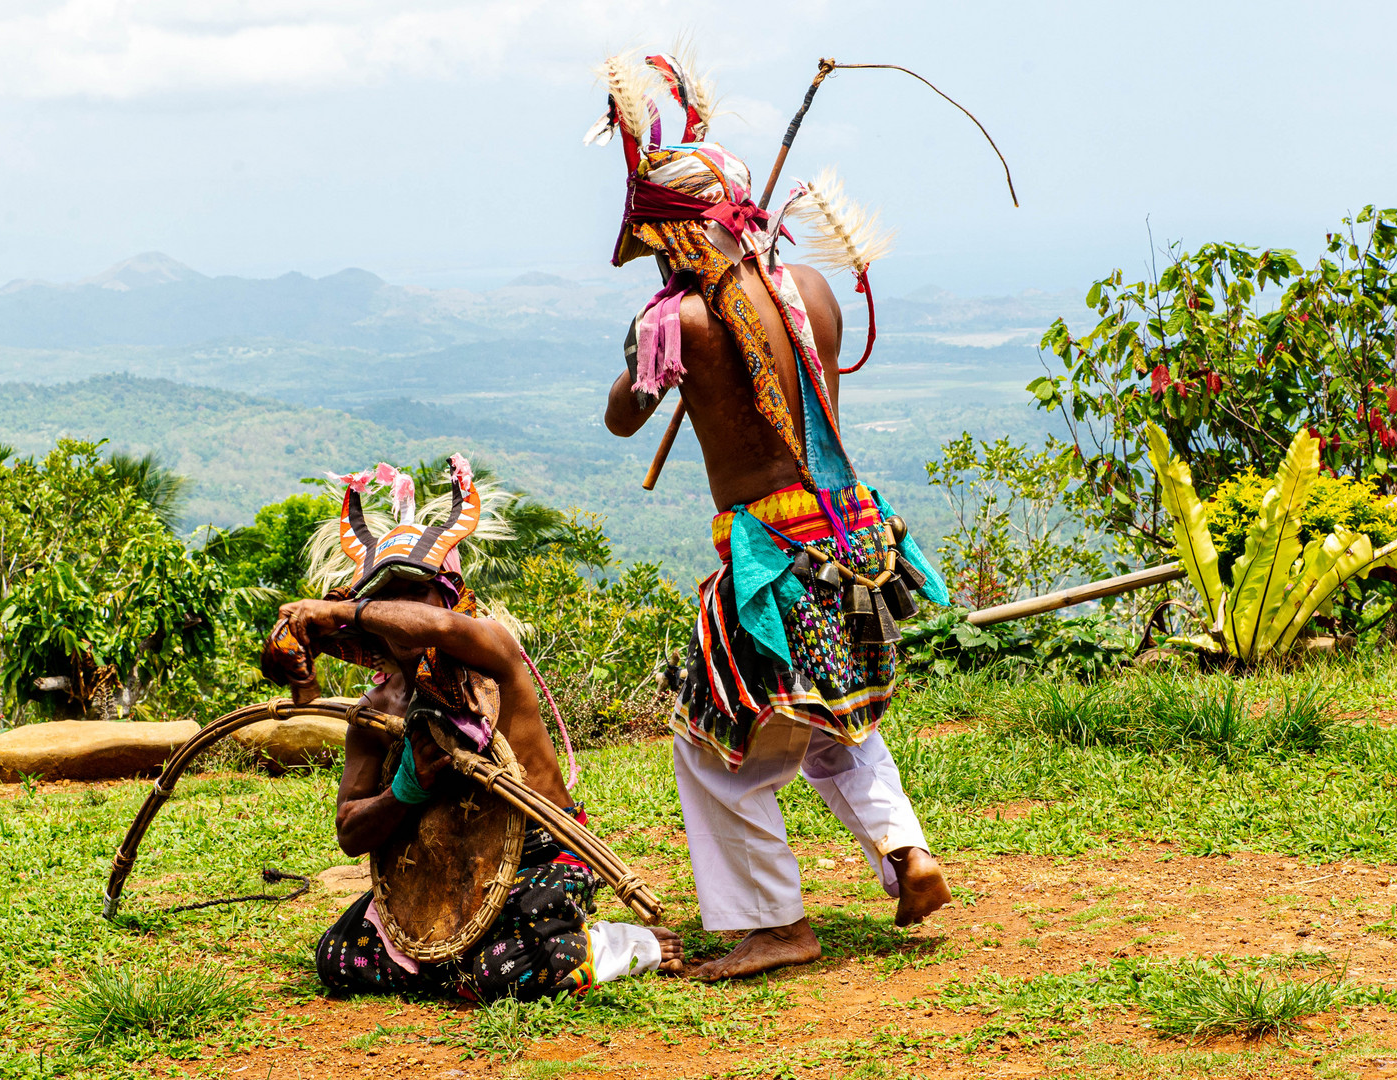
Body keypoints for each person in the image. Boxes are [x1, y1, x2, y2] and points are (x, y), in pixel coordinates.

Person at [591, 53, 954, 981]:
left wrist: (651, 343)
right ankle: (906, 852)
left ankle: (774, 924)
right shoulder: (816, 295)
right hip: (853, 536)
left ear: (676, 237)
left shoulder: (679, 325)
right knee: (832, 718)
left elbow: (621, 417)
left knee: (718, 747)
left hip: (773, 558)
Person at [266, 457, 684, 999]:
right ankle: (472, 958)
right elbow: (350, 832)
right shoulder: (376, 710)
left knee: (509, 968)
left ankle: (623, 944)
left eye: (412, 594)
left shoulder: (492, 653)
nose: (400, 609)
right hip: (441, 866)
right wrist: (404, 794)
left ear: (449, 594)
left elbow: (439, 628)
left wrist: (351, 611)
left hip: (541, 852)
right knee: (339, 958)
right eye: (385, 596)